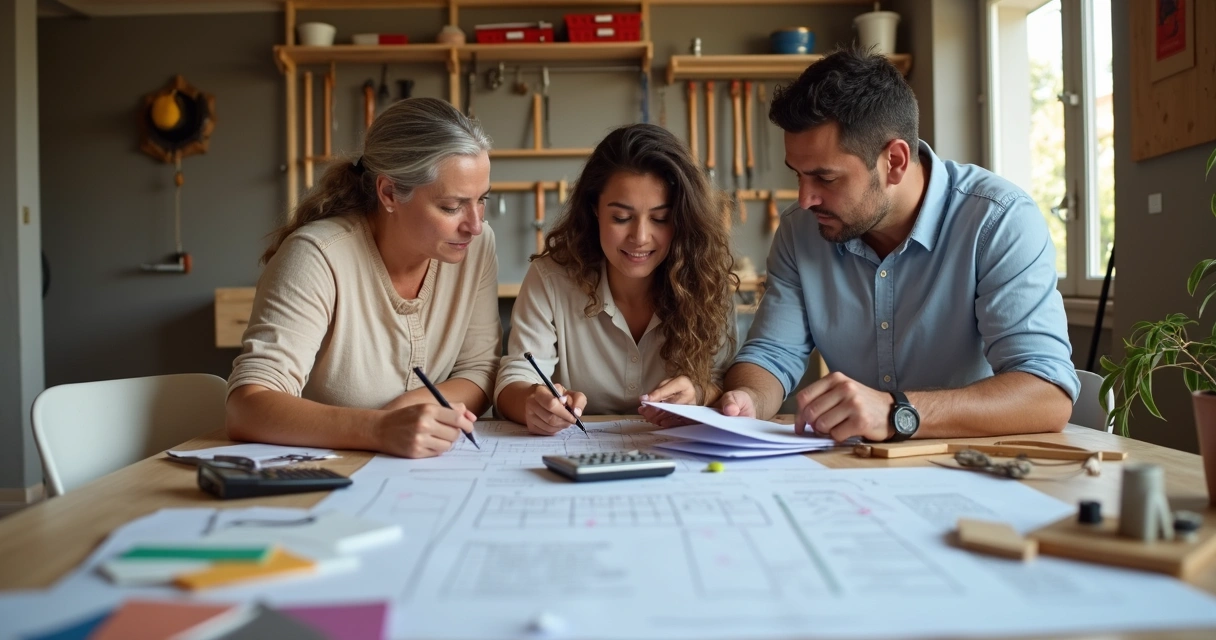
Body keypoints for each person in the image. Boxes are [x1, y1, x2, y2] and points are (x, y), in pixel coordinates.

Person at [715, 48, 1079, 442]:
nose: (805, 199)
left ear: (895, 161)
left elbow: (1047, 394)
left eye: (825, 178)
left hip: (976, 466)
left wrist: (895, 412)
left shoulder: (999, 220)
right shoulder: (800, 231)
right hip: (859, 471)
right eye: (798, 175)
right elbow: (771, 353)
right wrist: (748, 398)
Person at [226, 98, 500, 458]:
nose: (475, 225)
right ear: (388, 193)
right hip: (321, 472)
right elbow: (247, 405)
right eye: (451, 207)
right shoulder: (317, 255)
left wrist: (406, 411)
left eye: (482, 199)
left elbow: (480, 370)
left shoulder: (475, 248)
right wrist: (379, 428)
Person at [496, 123, 738, 435]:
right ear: (595, 208)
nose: (640, 237)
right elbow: (514, 379)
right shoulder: (551, 278)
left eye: (660, 219)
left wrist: (700, 393)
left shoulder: (706, 280)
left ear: (681, 218)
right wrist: (533, 402)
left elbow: (726, 383)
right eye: (621, 218)